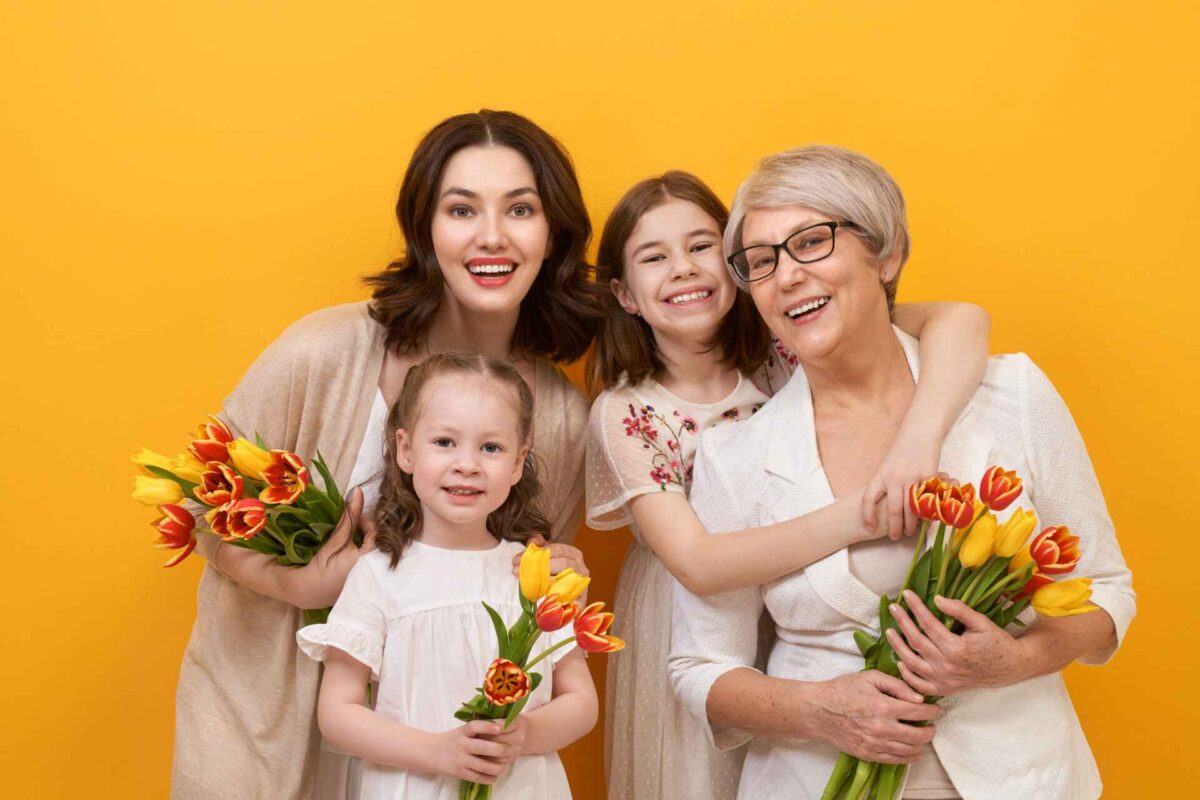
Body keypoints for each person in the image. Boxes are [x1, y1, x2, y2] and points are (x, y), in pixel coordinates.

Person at [667, 146, 1135, 800]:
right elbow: (697, 667)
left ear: (886, 255)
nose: (787, 276)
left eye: (810, 242)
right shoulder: (734, 455)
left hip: (1024, 778)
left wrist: (1017, 660)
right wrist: (819, 709)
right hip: (811, 779)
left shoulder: (1011, 395)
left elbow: (1106, 586)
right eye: (763, 261)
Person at [171, 110, 600, 800]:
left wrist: (556, 573)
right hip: (264, 718)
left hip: (431, 758)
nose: (492, 236)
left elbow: (517, 591)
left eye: (520, 208)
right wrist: (304, 587)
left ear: (553, 234)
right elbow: (200, 504)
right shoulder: (321, 353)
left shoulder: (557, 415)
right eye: (461, 209)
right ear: (426, 230)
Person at [586, 171, 990, 799]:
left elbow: (962, 319)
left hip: (803, 604)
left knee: (804, 756)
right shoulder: (627, 411)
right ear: (626, 295)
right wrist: (867, 513)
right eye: (654, 257)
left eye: (701, 249)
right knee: (702, 777)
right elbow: (699, 563)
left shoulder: (794, 346)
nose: (684, 270)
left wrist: (919, 442)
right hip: (692, 616)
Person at [298, 353, 597, 800]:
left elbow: (582, 703)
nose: (467, 464)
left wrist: (524, 734)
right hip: (414, 786)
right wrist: (438, 752)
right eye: (444, 442)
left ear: (518, 463)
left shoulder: (532, 573)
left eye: (491, 448)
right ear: (405, 450)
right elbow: (338, 715)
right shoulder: (380, 576)